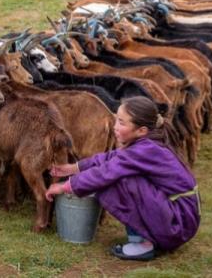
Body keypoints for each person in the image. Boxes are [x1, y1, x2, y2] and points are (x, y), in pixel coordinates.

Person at [45, 96, 200, 261]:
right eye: (116, 120)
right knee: (117, 173)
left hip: (178, 224)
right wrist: (73, 168)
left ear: (141, 130)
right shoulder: (147, 145)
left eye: (122, 123)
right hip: (180, 217)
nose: (115, 127)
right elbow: (111, 157)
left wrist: (65, 187)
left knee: (118, 179)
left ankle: (143, 244)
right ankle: (145, 237)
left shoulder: (145, 149)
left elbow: (105, 172)